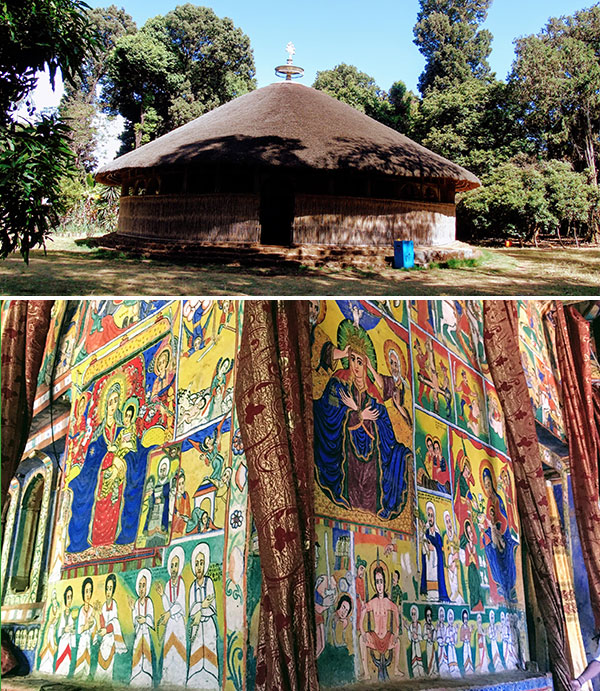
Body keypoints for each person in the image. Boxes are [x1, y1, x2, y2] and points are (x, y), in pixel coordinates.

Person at [314, 323, 411, 520]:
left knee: (395, 456)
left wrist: (361, 414)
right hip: (346, 455)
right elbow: (328, 412)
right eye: (352, 360)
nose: (356, 366)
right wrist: (359, 415)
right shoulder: (338, 383)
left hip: (371, 460)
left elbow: (384, 424)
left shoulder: (373, 394)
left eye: (360, 362)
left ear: (366, 365)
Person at [480, 467, 517, 603]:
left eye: (489, 485)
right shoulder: (488, 502)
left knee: (504, 552)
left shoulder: (499, 500)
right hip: (495, 533)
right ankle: (500, 585)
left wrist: (496, 530)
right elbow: (488, 521)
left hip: (504, 535)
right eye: (485, 486)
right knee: (488, 549)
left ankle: (508, 588)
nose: (488, 488)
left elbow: (504, 520)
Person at [359, 566, 403, 679]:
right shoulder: (373, 602)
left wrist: (397, 631)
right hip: (375, 638)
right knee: (361, 639)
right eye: (377, 582)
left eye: (381, 581)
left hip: (387, 638)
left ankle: (396, 669)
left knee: (397, 642)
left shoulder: (388, 602)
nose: (379, 585)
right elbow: (363, 611)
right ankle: (367, 674)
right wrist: (363, 631)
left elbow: (396, 610)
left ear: (384, 583)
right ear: (375, 584)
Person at [187, 544, 219, 689]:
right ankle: (194, 680)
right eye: (196, 564)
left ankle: (212, 680)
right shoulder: (193, 586)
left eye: (201, 563)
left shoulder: (209, 582)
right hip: (197, 626)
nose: (199, 567)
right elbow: (191, 608)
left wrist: (202, 609)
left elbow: (212, 607)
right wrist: (201, 607)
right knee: (196, 652)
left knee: (210, 652)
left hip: (208, 624)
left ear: (205, 565)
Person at [156, 547, 186, 686]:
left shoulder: (182, 584)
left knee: (179, 651)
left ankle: (180, 679)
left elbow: (180, 604)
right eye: (172, 565)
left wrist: (169, 613)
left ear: (179, 567)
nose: (173, 569)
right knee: (168, 651)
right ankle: (167, 679)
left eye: (176, 565)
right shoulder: (168, 584)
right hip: (170, 625)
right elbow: (167, 606)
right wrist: (163, 594)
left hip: (179, 623)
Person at [96, 574, 127, 680]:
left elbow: (115, 622)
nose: (108, 592)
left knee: (108, 670)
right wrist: (100, 613)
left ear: (113, 591)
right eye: (107, 589)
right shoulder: (104, 606)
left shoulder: (114, 605)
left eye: (110, 589)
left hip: (111, 640)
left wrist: (106, 630)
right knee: (100, 668)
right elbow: (103, 625)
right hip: (104, 640)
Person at [129, 569, 155, 686]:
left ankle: (148, 678)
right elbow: (134, 620)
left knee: (147, 656)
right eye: (139, 585)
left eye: (143, 585)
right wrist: (133, 610)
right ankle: (135, 676)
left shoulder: (149, 602)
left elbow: (151, 618)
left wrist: (145, 620)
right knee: (137, 655)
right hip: (139, 634)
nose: (141, 589)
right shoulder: (136, 603)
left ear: (147, 586)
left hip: (146, 634)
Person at [420, 502, 449, 601]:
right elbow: (423, 551)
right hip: (428, 566)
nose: (430, 518)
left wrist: (434, 549)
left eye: (432, 515)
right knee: (429, 591)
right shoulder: (426, 533)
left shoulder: (438, 536)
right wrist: (425, 545)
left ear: (434, 517)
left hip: (436, 566)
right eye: (428, 515)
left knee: (436, 591)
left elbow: (441, 554)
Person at [74, 578, 97, 678]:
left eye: (90, 591)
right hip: (82, 640)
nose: (88, 594)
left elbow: (94, 628)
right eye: (86, 591)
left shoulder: (92, 610)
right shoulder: (81, 611)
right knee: (79, 663)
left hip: (89, 641)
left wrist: (92, 624)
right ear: (83, 592)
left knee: (87, 664)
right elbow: (78, 629)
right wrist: (85, 627)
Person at [55, 587, 75, 676]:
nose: (69, 600)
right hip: (63, 641)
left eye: (71, 597)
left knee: (68, 660)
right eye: (68, 597)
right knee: (61, 659)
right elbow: (59, 630)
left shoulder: (73, 613)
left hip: (69, 641)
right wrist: (64, 630)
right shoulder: (62, 614)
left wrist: (72, 630)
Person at [404, 604, 424, 678]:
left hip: (417, 644)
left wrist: (417, 636)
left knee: (419, 659)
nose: (413, 616)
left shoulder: (418, 625)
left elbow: (421, 637)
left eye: (414, 614)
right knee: (414, 659)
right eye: (412, 614)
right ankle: (415, 674)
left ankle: (421, 674)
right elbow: (410, 637)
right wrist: (408, 629)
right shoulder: (411, 626)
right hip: (413, 645)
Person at [422, 605, 437, 676]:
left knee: (433, 659)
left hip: (432, 645)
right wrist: (428, 636)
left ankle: (434, 671)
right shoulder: (425, 626)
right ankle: (430, 672)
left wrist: (435, 631)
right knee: (429, 659)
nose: (429, 618)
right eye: (427, 616)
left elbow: (434, 638)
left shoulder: (432, 626)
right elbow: (424, 636)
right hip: (428, 645)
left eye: (430, 616)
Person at [460, 609, 474, 675]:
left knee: (470, 656)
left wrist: (470, 631)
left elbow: (469, 636)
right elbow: (461, 637)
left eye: (466, 618)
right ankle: (466, 669)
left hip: (468, 644)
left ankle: (470, 669)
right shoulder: (462, 627)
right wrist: (464, 638)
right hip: (465, 645)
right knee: (465, 656)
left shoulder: (468, 627)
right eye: (464, 618)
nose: (465, 620)